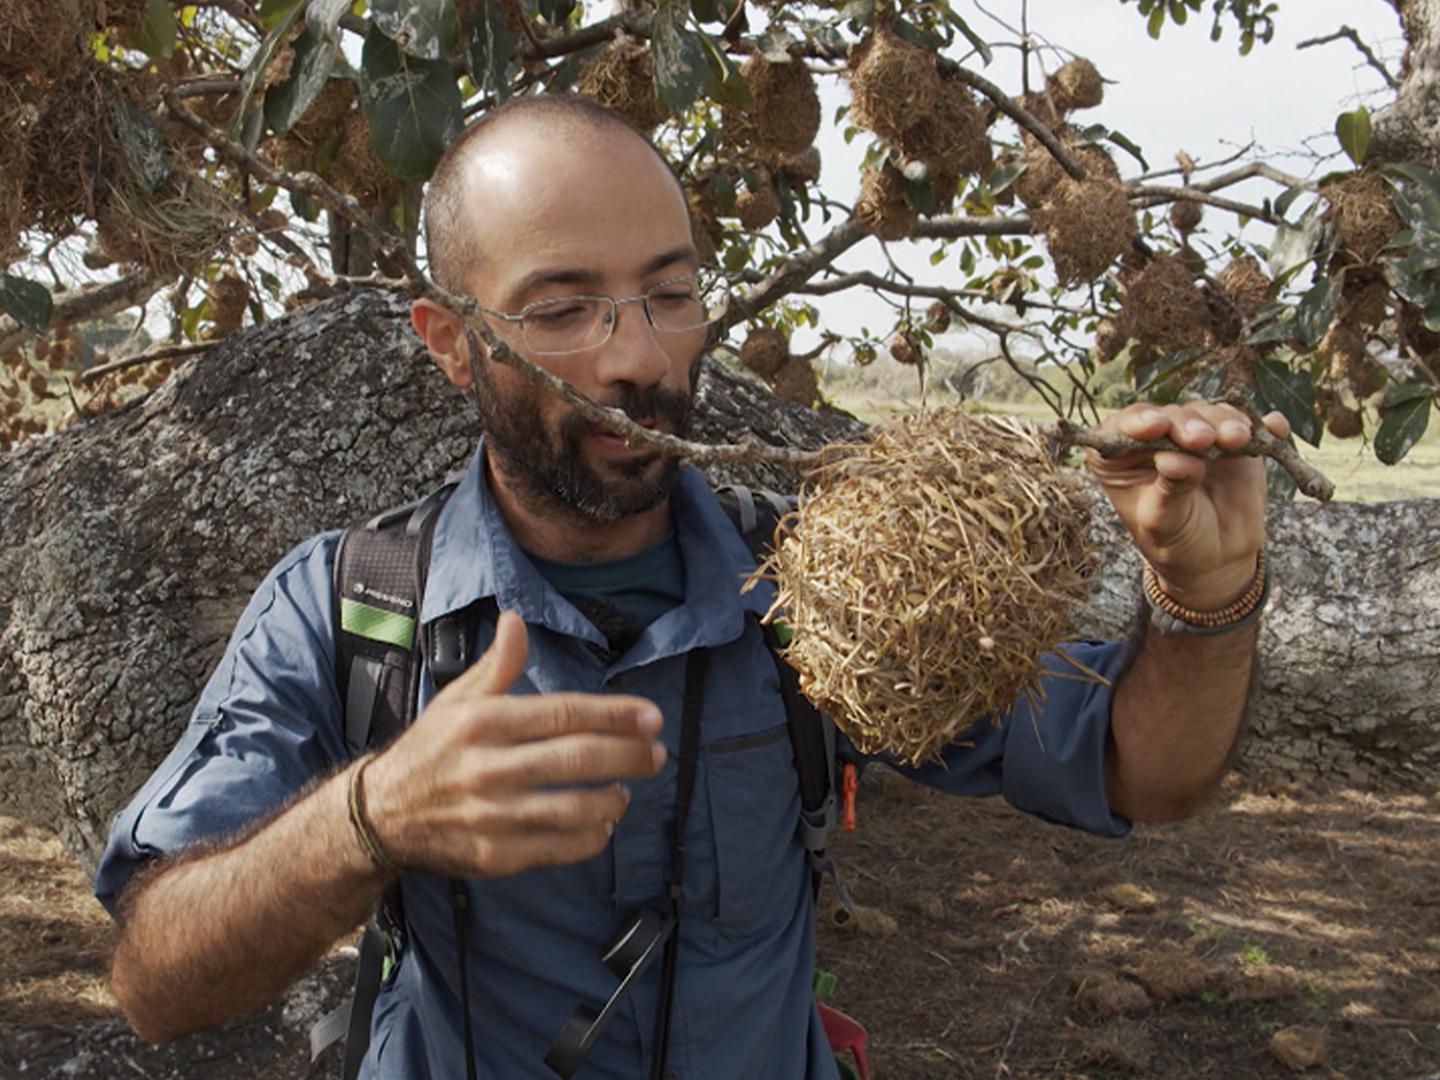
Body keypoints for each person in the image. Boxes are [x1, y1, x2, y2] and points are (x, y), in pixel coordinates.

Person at [93, 94, 1288, 1079]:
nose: (639, 356)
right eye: (563, 309)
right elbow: (154, 982)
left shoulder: (827, 591)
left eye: (669, 292)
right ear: (449, 339)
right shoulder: (349, 611)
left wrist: (1206, 598)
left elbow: (1140, 769)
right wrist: (368, 821)